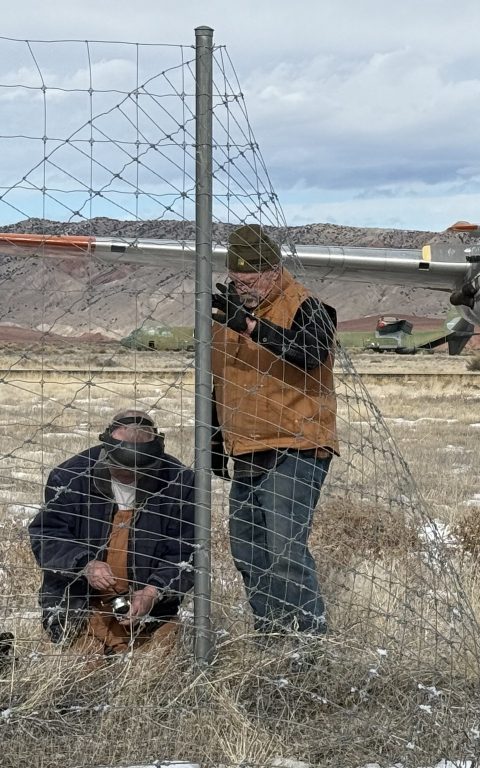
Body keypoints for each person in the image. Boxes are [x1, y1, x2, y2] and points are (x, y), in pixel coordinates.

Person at [210, 223, 338, 636]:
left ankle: (307, 647)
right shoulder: (226, 315)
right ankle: (272, 639)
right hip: (246, 447)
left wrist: (249, 327)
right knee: (249, 552)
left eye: (249, 281)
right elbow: (222, 381)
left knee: (286, 552)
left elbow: (311, 354)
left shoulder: (308, 306)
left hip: (295, 445)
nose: (242, 288)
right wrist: (216, 440)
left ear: (272, 270)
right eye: (235, 281)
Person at [28, 410, 196, 653]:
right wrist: (85, 565)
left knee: (153, 673)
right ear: (106, 450)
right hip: (81, 608)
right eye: (121, 469)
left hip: (150, 613)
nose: (128, 477)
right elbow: (47, 536)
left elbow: (186, 551)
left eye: (138, 471)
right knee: (83, 673)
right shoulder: (70, 476)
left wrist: (152, 592)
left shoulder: (179, 483)